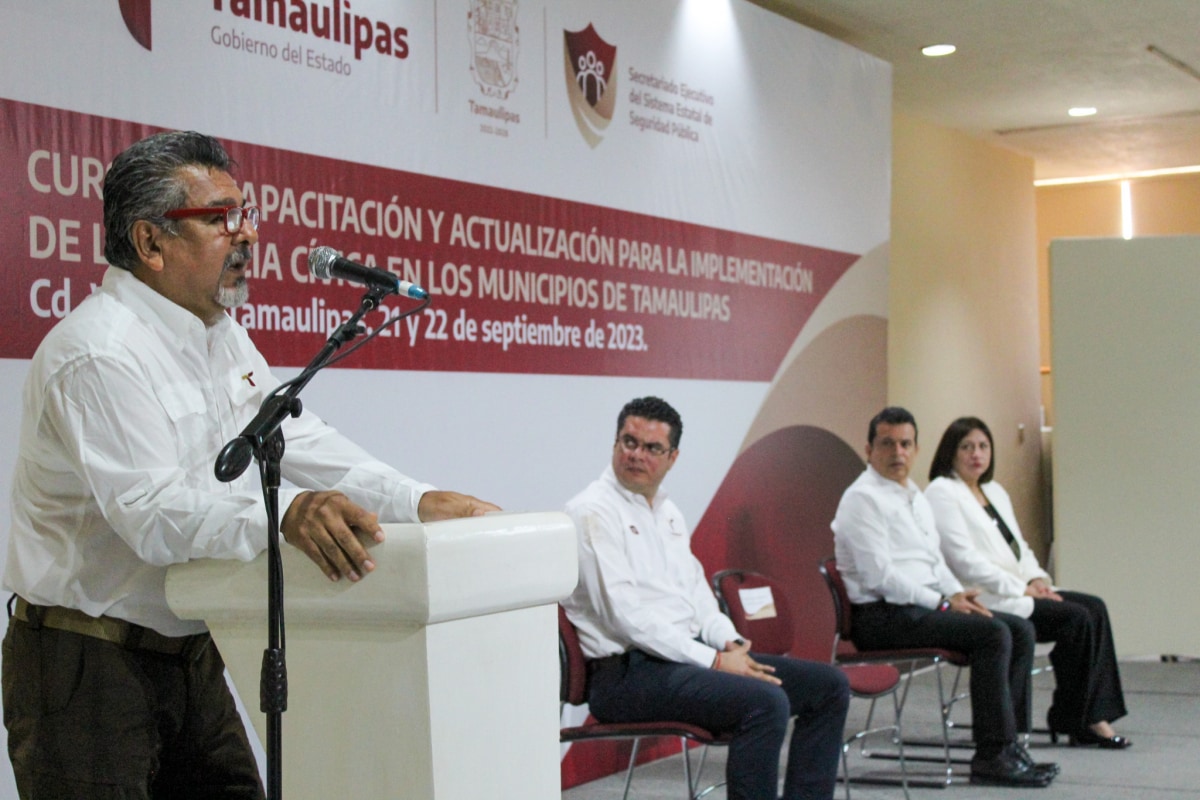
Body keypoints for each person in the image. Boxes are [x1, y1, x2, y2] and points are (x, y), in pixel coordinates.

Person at [2, 130, 499, 800]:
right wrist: (287, 512)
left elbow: (295, 435)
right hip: (87, 664)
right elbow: (152, 516)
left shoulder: (220, 333)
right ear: (150, 243)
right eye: (219, 218)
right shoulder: (98, 352)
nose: (248, 234)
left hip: (192, 651)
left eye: (245, 212)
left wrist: (417, 500)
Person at [561, 396, 850, 800]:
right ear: (615, 443)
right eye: (629, 442)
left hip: (678, 660)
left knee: (829, 686)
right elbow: (627, 618)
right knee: (765, 702)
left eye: (652, 448)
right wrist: (713, 660)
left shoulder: (668, 513)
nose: (637, 455)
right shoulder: (591, 512)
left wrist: (728, 642)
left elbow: (696, 593)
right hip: (626, 677)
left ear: (672, 457)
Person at [831, 407, 1058, 788]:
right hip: (882, 616)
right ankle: (992, 756)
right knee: (993, 634)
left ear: (916, 449)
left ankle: (1011, 745)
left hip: (918, 608)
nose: (898, 452)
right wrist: (941, 602)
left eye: (906, 444)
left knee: (1018, 629)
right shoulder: (862, 499)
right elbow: (880, 577)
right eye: (887, 444)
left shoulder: (912, 494)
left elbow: (934, 561)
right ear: (869, 449)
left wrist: (956, 594)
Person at [925, 416, 1130, 749]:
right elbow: (964, 560)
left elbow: (1019, 547)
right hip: (987, 597)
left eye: (983, 446)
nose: (976, 454)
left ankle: (1086, 717)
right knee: (1076, 618)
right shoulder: (941, 492)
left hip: (1022, 588)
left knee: (1094, 608)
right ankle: (1081, 720)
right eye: (967, 447)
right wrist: (1022, 589)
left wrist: (1036, 578)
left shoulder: (994, 491)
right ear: (950, 452)